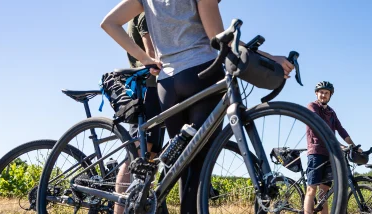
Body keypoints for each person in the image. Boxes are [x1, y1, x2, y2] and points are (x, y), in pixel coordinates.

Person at [100, 0, 294, 212]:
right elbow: (219, 39)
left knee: (185, 169)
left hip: (167, 84)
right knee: (199, 171)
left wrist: (146, 59)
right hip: (202, 73)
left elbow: (109, 23)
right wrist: (269, 57)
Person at [112, 12, 164, 214]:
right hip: (148, 89)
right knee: (138, 155)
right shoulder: (146, 13)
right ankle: (120, 210)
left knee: (150, 156)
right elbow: (152, 53)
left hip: (154, 89)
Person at [304, 81, 356, 214]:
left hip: (330, 154)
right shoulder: (312, 106)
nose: (323, 95)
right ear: (317, 93)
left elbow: (341, 129)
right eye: (321, 92)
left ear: (330, 95)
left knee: (324, 192)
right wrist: (338, 144)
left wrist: (353, 146)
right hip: (316, 151)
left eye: (326, 93)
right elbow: (319, 126)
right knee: (312, 189)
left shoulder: (331, 112)